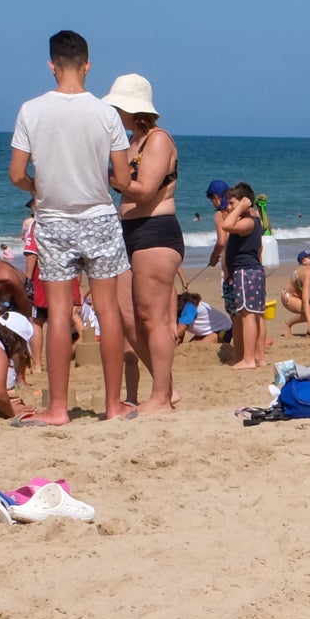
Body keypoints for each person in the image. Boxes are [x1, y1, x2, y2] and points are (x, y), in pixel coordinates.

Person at [8, 30, 132, 423]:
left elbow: (15, 174)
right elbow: (123, 178)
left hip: (54, 220)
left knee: (59, 313)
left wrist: (36, 186)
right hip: (98, 217)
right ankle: (113, 406)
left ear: (51, 65)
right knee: (108, 311)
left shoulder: (31, 110)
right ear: (88, 65)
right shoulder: (106, 113)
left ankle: (58, 408)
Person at [104, 73, 181, 413]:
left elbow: (146, 190)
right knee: (128, 318)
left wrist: (104, 176)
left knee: (153, 318)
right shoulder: (131, 141)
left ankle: (161, 398)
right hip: (129, 232)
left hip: (156, 229)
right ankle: (167, 388)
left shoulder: (158, 140)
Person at [208, 180, 268, 369]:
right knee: (254, 315)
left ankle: (249, 359)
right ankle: (256, 357)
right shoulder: (255, 219)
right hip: (253, 270)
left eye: (232, 203)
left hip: (245, 271)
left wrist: (239, 207)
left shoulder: (248, 222)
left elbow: (226, 226)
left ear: (244, 202)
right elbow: (259, 247)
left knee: (248, 315)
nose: (229, 206)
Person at [279, 248, 310, 338]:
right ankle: (287, 324)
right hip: (289, 296)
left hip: (302, 295)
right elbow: (305, 301)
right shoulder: (308, 274)